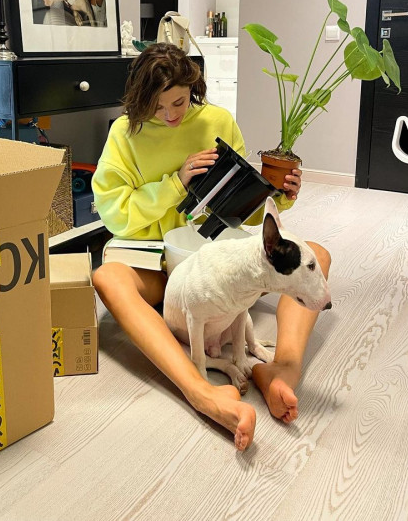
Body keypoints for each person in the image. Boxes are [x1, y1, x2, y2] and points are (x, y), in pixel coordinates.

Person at [91, 43, 331, 451]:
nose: (170, 115)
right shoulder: (124, 134)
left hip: (222, 268)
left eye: (179, 102)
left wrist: (281, 195)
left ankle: (282, 369)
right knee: (107, 277)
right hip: (162, 263)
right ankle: (198, 388)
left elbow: (243, 215)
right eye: (157, 107)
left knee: (315, 255)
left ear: (194, 88)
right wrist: (175, 184)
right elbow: (115, 214)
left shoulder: (217, 121)